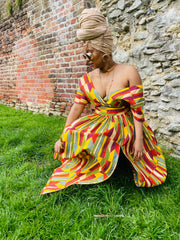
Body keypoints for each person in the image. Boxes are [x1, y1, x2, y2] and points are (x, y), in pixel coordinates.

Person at [41, 8, 167, 194]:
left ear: (103, 50)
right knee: (76, 130)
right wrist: (63, 136)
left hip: (125, 122)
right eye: (85, 54)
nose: (87, 59)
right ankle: (94, 162)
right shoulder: (87, 79)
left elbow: (137, 111)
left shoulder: (129, 72)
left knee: (115, 134)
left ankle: (121, 159)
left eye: (90, 53)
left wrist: (139, 140)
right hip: (100, 119)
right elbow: (76, 110)